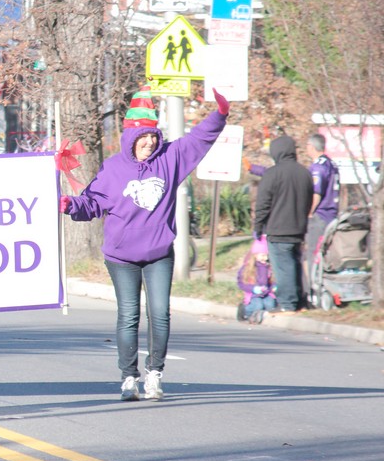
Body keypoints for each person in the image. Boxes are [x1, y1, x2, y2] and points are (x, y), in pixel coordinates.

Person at [61, 86, 230, 401]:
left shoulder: (170, 159)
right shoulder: (112, 169)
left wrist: (219, 114)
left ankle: (154, 373)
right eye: (143, 137)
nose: (150, 142)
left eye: (154, 136)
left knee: (160, 313)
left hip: (158, 254)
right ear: (130, 139)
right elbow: (91, 203)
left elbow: (199, 140)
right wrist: (70, 205)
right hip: (121, 257)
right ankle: (128, 378)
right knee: (128, 315)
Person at [253, 135, 313, 313]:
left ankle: (288, 303)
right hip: (299, 228)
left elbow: (263, 205)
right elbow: (309, 200)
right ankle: (300, 300)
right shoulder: (305, 173)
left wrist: (258, 227)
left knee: (283, 267)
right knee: (295, 264)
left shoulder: (272, 174)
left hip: (278, 229)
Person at [303, 133, 339, 300]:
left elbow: (316, 192)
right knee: (325, 254)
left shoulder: (318, 167)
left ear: (312, 147)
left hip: (321, 216)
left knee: (312, 253)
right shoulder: (332, 164)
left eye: (307, 146)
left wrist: (309, 212)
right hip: (332, 214)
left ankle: (313, 290)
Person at [236, 236, 277, 324]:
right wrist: (253, 289)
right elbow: (241, 282)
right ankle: (245, 311)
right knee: (258, 305)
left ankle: (259, 314)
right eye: (262, 255)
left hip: (267, 293)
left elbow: (273, 280)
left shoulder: (269, 267)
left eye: (267, 255)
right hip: (253, 294)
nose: (265, 258)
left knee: (271, 305)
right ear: (255, 255)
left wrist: (274, 287)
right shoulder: (248, 268)